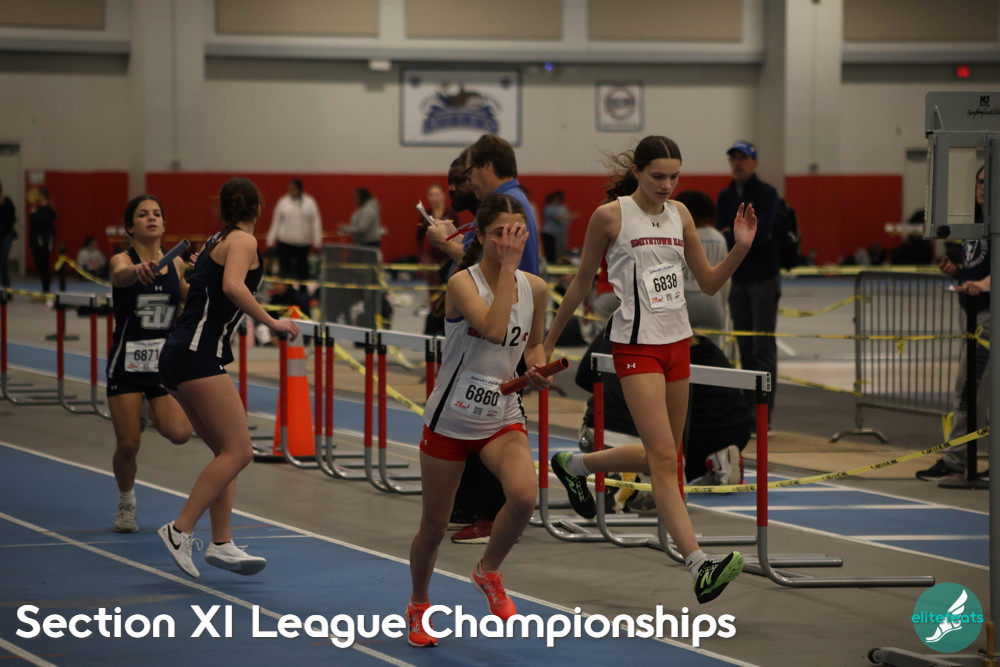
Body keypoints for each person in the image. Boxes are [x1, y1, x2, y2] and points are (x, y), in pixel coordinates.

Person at [544, 134, 756, 605]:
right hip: (635, 347)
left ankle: (574, 465)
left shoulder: (681, 215)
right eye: (658, 176)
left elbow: (708, 282)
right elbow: (581, 283)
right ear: (637, 172)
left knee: (665, 457)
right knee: (663, 458)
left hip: (677, 344)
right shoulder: (610, 216)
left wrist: (740, 248)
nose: (666, 185)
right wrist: (548, 342)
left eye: (674, 177)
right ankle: (699, 564)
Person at [406, 194, 551, 647]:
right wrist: (508, 269)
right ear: (482, 237)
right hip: (450, 420)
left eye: (518, 232)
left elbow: (533, 344)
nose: (511, 241)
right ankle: (419, 603)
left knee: (523, 498)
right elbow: (492, 328)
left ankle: (488, 571)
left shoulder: (536, 288)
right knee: (433, 528)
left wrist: (537, 368)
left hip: (501, 416)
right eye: (501, 233)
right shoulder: (461, 284)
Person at [157, 177, 299, 579]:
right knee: (240, 452)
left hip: (179, 353)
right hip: (196, 354)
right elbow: (233, 286)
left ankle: (221, 542)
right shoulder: (243, 241)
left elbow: (204, 291)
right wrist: (272, 321)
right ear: (259, 208)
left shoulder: (217, 241)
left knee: (225, 451)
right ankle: (180, 529)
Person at [107, 195, 193, 533]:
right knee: (128, 444)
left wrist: (211, 275)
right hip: (127, 364)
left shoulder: (177, 263)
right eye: (143, 214)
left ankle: (146, 409)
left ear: (164, 224)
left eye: (157, 213)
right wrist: (136, 272)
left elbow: (187, 293)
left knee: (180, 433)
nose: (151, 218)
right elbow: (120, 277)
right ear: (130, 227)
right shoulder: (122, 260)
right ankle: (126, 500)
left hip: (161, 363)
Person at [918, 165, 990, 481]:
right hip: (971, 314)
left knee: (969, 389)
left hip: (988, 318)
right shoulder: (975, 223)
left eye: (988, 182)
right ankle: (964, 458)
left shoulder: (995, 224)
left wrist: (984, 285)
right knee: (979, 392)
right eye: (979, 181)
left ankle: (957, 459)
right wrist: (958, 274)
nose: (982, 187)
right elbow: (977, 271)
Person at [716, 141, 780, 433]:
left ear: (754, 162)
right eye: (733, 158)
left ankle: (763, 418)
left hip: (763, 278)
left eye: (743, 158)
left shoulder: (767, 194)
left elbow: (761, 237)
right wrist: (739, 238)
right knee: (744, 347)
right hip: (738, 278)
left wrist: (737, 236)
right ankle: (748, 415)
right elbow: (722, 235)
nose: (737, 163)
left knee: (762, 347)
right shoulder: (726, 195)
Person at [464, 134, 541, 275]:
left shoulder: (504, 206)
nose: (470, 182)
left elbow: (489, 264)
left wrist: (446, 244)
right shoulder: (514, 199)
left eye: (470, 172)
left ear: (487, 166)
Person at [676, 190, 729, 349]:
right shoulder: (718, 238)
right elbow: (726, 277)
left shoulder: (680, 235)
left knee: (681, 349)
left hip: (683, 298)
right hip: (711, 301)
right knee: (711, 351)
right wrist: (722, 303)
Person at [266, 178, 323, 281]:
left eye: (293, 189)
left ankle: (302, 290)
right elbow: (276, 223)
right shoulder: (283, 202)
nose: (290, 191)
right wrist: (270, 241)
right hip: (285, 243)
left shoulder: (310, 203)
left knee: (303, 273)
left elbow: (316, 223)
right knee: (284, 273)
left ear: (299, 189)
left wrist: (317, 242)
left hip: (303, 245)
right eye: (289, 189)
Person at [416, 183, 454, 337]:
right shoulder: (426, 215)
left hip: (448, 260)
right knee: (433, 296)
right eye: (431, 195)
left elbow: (456, 235)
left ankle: (447, 327)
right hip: (432, 262)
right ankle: (433, 328)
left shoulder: (451, 214)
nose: (435, 198)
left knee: (449, 295)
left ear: (443, 196)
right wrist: (422, 257)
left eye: (437, 194)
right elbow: (419, 238)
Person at [29, 186, 56, 294]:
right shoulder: (39, 209)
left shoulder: (47, 210)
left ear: (42, 196)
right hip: (37, 242)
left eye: (37, 195)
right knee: (40, 266)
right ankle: (44, 288)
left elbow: (37, 223)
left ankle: (46, 289)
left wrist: (33, 214)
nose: (36, 197)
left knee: (44, 265)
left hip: (43, 242)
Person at [542, 190, 575, 264]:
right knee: (552, 251)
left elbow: (564, 218)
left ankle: (560, 261)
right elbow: (559, 218)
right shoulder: (549, 208)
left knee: (561, 249)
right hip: (551, 233)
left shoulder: (563, 207)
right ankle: (553, 262)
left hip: (561, 231)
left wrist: (567, 217)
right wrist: (569, 216)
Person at [0, 181, 15, 290]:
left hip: (6, 234)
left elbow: (11, 220)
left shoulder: (8, 202)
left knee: (3, 261)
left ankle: (6, 288)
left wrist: (3, 234)